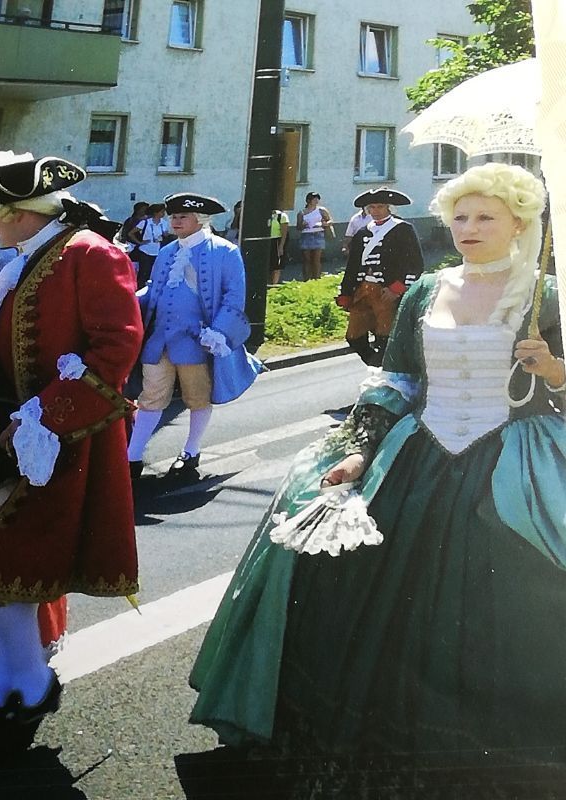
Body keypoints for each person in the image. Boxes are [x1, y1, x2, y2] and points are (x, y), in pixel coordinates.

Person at [189, 164, 566, 797]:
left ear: (520, 224)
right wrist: (361, 451)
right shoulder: (427, 291)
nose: (469, 228)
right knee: (325, 543)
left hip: (512, 462)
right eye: (460, 216)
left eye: (486, 217)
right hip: (418, 457)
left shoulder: (547, 296)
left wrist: (554, 370)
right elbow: (398, 380)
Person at [0, 154, 143, 758]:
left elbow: (117, 346)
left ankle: (26, 684)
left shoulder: (89, 253)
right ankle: (18, 683)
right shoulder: (28, 257)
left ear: (22, 213)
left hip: (53, 437)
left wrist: (46, 414)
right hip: (2, 432)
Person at [127, 192, 256, 484]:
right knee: (150, 397)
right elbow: (153, 289)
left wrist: (219, 332)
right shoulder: (166, 252)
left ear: (200, 219)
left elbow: (234, 297)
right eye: (173, 216)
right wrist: (128, 300)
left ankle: (191, 451)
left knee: (197, 397)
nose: (175, 221)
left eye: (182, 216)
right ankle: (131, 457)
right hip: (159, 339)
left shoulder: (225, 251)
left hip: (195, 342)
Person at [337, 187, 424, 366]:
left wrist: (397, 289)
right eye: (372, 207)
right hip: (363, 290)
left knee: (385, 337)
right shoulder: (362, 232)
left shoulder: (402, 229)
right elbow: (352, 266)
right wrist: (346, 293)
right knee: (354, 336)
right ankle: (376, 364)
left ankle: (386, 371)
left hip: (386, 291)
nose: (375, 211)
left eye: (380, 207)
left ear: (388, 208)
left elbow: (415, 264)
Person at [133, 202, 172, 290]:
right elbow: (131, 233)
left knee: (153, 271)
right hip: (145, 250)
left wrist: (165, 235)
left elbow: (165, 234)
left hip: (157, 251)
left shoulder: (164, 223)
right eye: (161, 212)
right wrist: (139, 242)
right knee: (144, 271)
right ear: (155, 212)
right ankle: (139, 289)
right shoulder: (145, 222)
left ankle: (150, 289)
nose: (163, 214)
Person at [297, 191, 333, 280]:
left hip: (318, 234)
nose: (316, 200)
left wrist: (325, 224)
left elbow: (330, 220)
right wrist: (303, 225)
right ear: (309, 200)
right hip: (306, 235)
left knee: (316, 259)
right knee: (307, 259)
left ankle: (316, 278)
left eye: (317, 199)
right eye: (314, 199)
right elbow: (298, 227)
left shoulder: (321, 210)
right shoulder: (302, 212)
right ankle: (306, 278)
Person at [269, 208, 289, 285]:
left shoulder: (282, 216)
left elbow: (284, 234)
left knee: (276, 266)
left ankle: (274, 285)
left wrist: (281, 246)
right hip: (266, 241)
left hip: (276, 241)